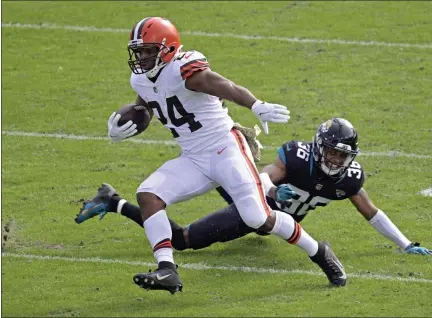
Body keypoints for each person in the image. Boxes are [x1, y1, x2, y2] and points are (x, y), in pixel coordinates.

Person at [81, 17, 349, 294]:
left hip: (226, 149)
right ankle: (167, 270)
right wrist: (125, 126)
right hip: (193, 157)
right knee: (148, 194)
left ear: (168, 48)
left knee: (258, 218)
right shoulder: (141, 78)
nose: (142, 57)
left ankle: (319, 252)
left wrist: (256, 104)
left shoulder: (184, 69)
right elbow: (147, 105)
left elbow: (224, 85)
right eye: (139, 51)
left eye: (149, 50)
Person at [76, 118, 430, 274]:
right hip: (258, 203)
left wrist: (404, 243)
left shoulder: (350, 179)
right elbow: (261, 178)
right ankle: (115, 201)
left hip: (264, 217)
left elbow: (371, 212)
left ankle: (235, 149)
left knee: (244, 200)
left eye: (343, 154)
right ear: (320, 147)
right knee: (183, 241)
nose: (337, 159)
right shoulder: (297, 156)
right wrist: (275, 188)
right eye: (332, 152)